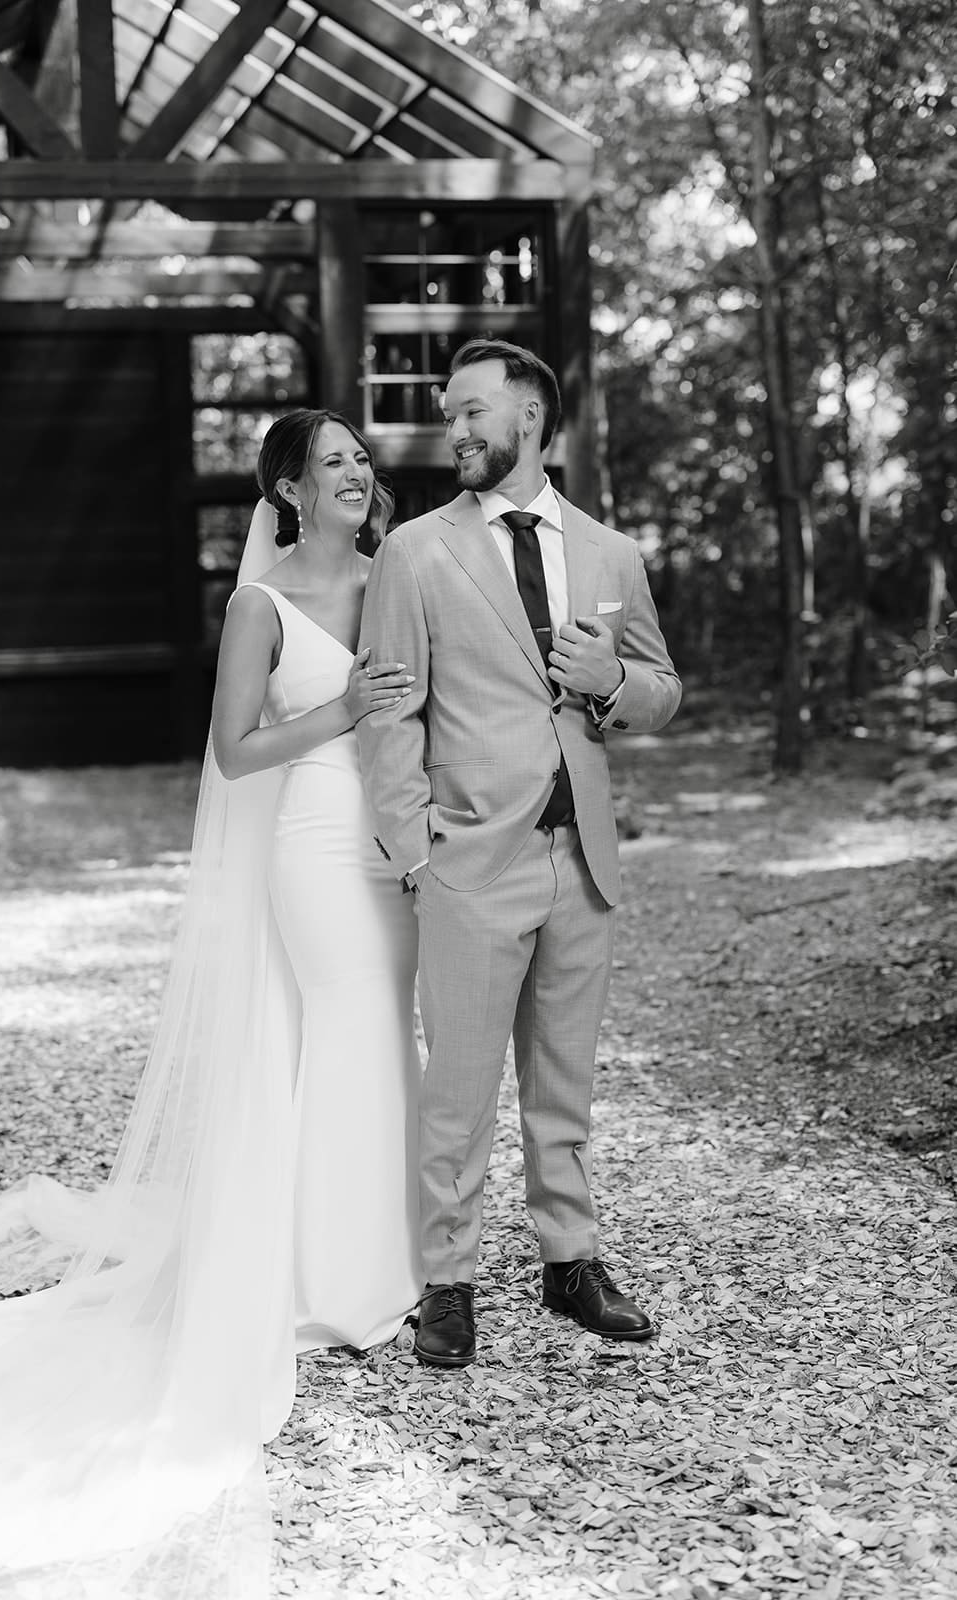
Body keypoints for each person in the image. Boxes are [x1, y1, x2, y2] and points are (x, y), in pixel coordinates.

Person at [0, 408, 421, 1598]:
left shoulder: (397, 575)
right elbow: (233, 751)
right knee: (341, 1035)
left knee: (382, 1039)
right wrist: (342, 710)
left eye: (359, 460)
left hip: (390, 848)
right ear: (285, 487)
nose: (355, 473)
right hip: (309, 846)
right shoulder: (259, 605)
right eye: (331, 461)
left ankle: (371, 1264)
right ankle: (317, 1287)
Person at [357, 339, 682, 1369]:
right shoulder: (414, 551)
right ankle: (444, 1282)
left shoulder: (610, 552)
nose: (452, 430)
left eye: (468, 411)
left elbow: (660, 686)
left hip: (579, 856)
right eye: (449, 414)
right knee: (456, 1090)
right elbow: (387, 714)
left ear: (529, 419)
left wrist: (610, 682)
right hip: (466, 863)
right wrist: (416, 850)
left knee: (563, 1084)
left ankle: (569, 1262)